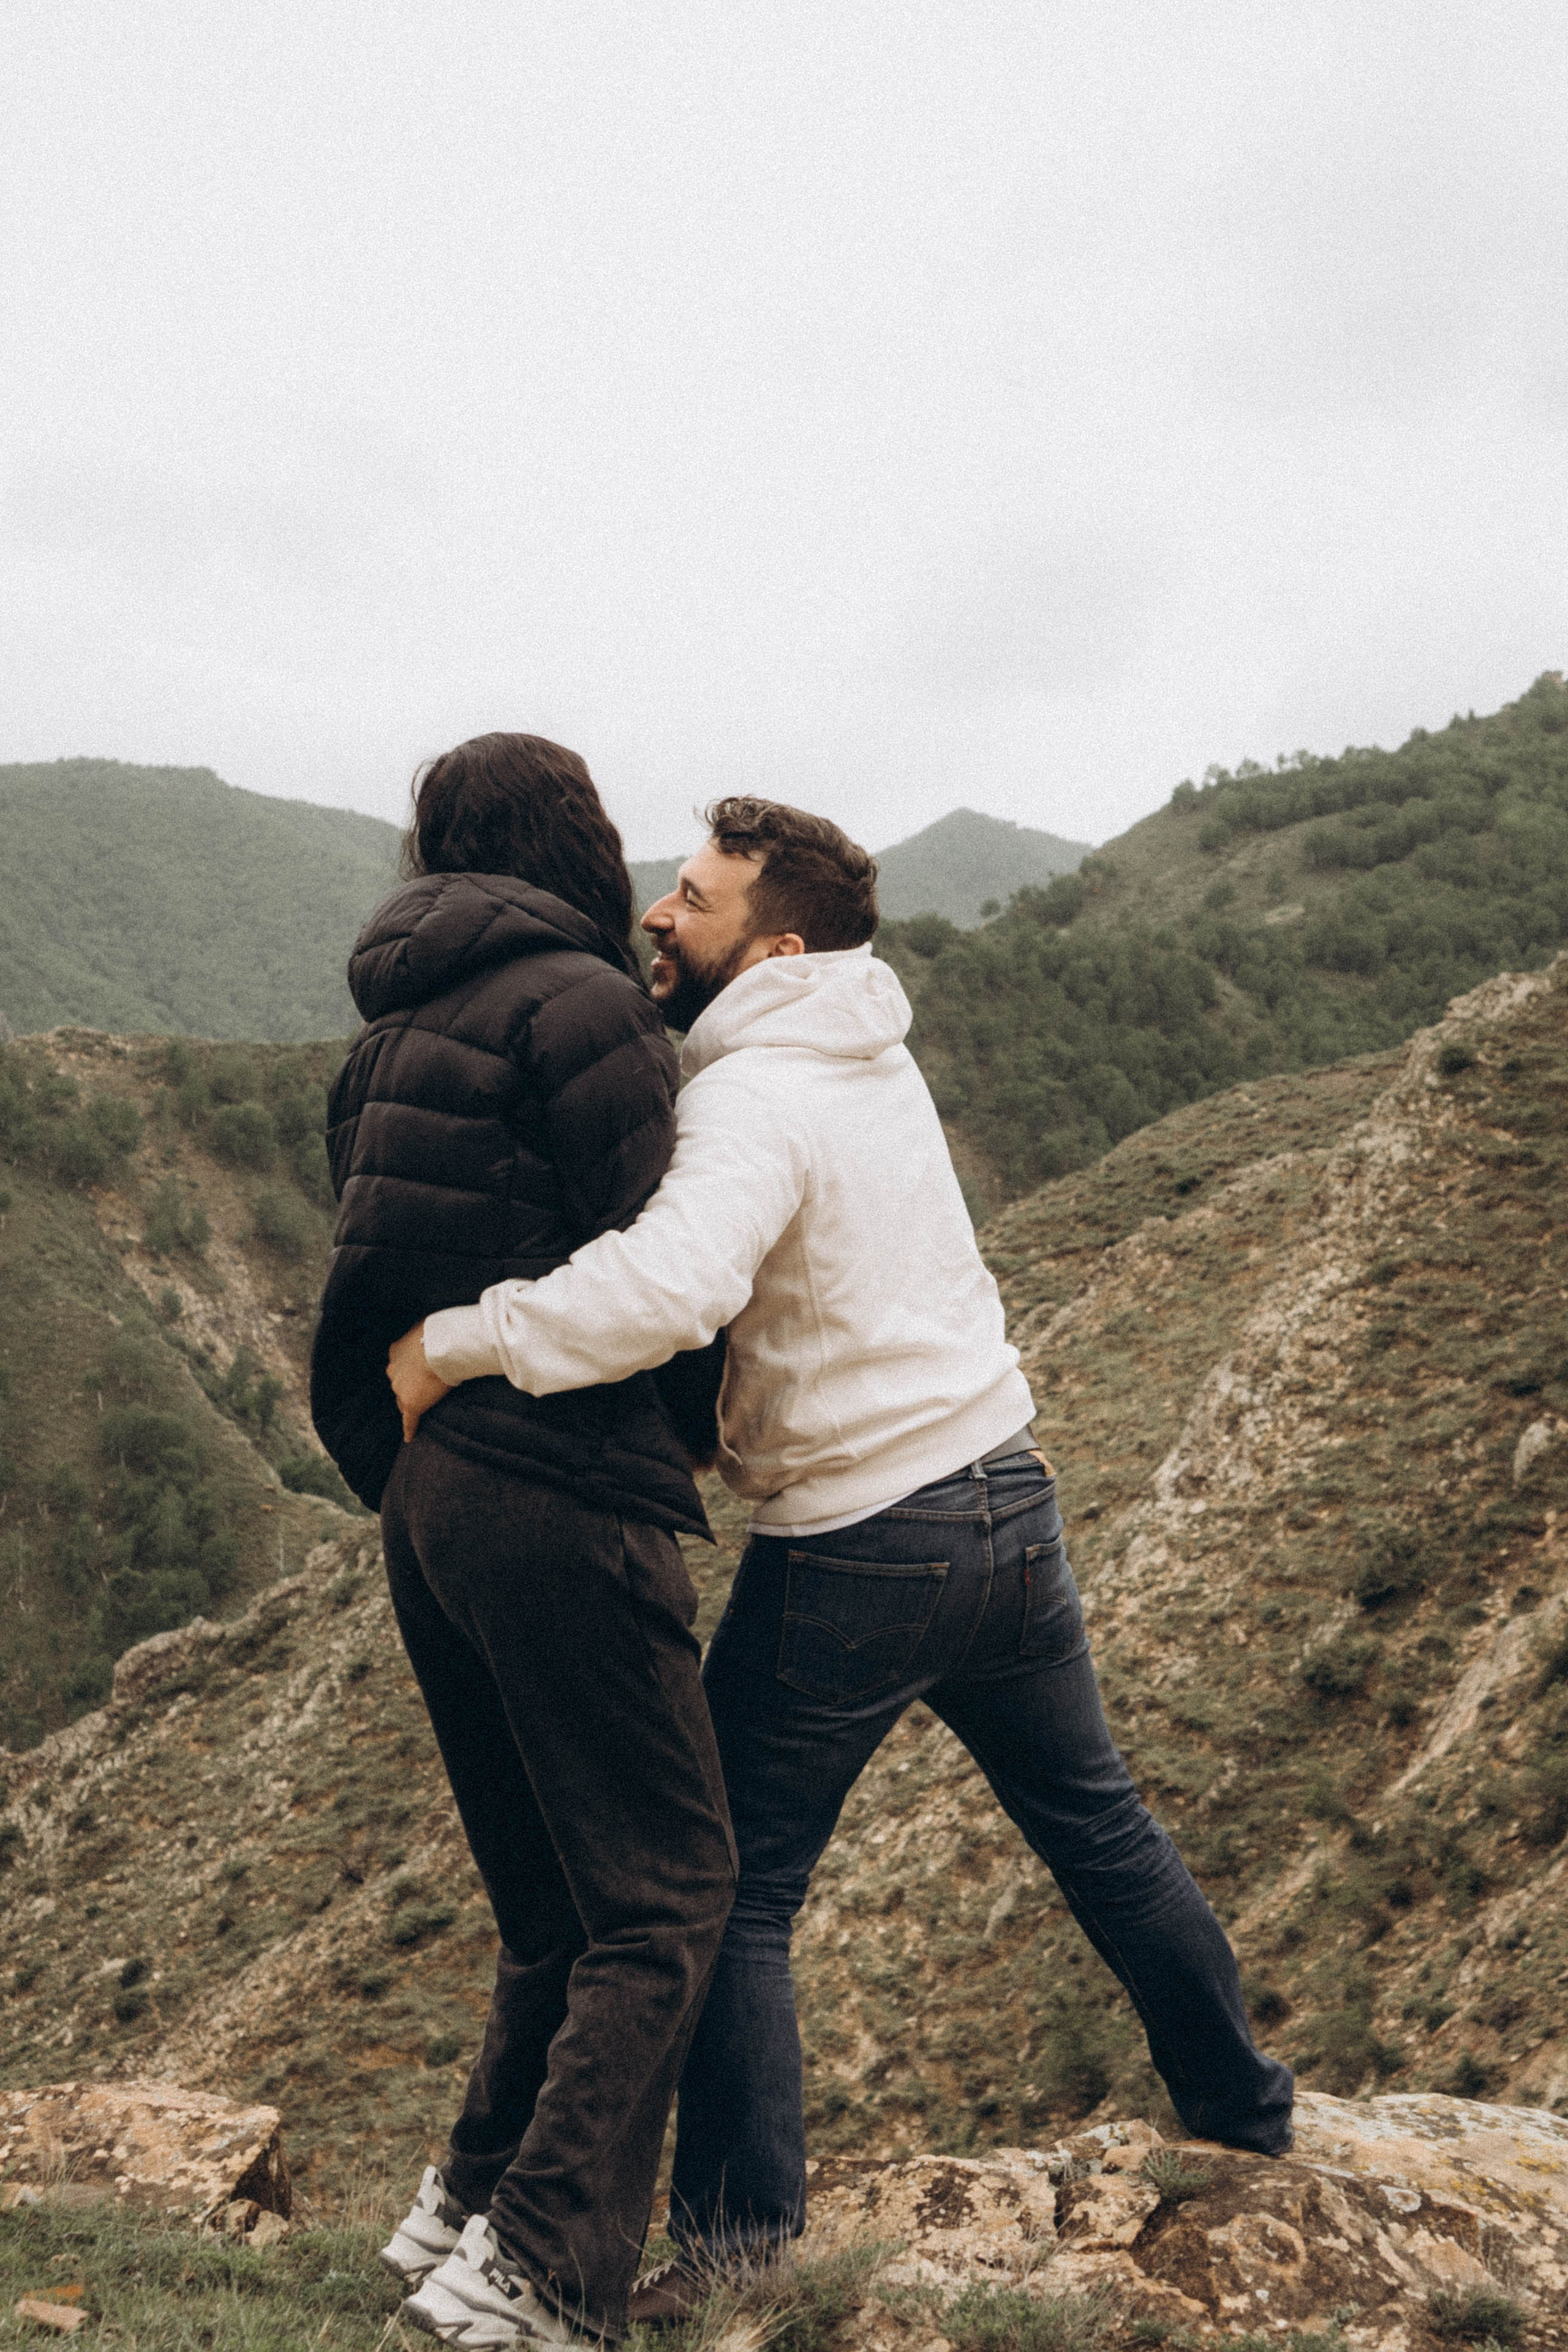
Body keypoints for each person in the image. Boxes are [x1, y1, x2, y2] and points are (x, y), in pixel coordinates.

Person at [388, 796, 1295, 2326]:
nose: (660, 916)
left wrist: (457, 1344)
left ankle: (738, 2251)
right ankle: (1248, 2117)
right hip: (1007, 1496)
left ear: (778, 944)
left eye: (694, 898)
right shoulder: (872, 1054)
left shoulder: (753, 1100)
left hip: (864, 1544)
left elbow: (666, 1290)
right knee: (1099, 1828)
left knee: (724, 1886)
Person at [311, 733, 736, 2351]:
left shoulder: (388, 1036)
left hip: (431, 1496)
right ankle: (546, 2272)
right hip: (564, 1485)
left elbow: (367, 1270)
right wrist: (689, 1441)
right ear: (581, 840)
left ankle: (462, 2214)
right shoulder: (586, 1013)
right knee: (665, 1892)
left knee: (553, 1905)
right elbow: (665, 1263)